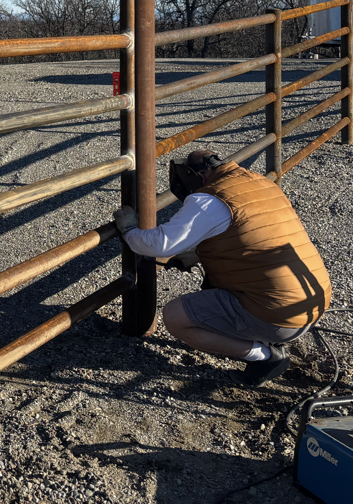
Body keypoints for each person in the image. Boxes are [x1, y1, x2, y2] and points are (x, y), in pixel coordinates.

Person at [113, 149, 332, 385]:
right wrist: (198, 254)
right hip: (311, 302)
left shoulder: (210, 200)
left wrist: (130, 230)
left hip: (276, 316)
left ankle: (266, 356)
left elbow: (160, 244)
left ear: (202, 174)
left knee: (175, 317)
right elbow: (253, 239)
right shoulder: (260, 183)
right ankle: (264, 334)